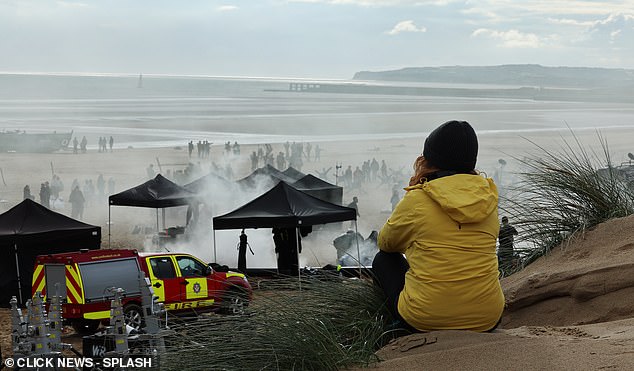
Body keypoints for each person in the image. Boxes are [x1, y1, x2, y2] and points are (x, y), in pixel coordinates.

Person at [373, 120, 504, 334]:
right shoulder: (488, 199)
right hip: (486, 318)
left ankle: (397, 326)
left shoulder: (418, 198)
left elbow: (386, 243)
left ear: (429, 160)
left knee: (384, 260)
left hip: (425, 319)